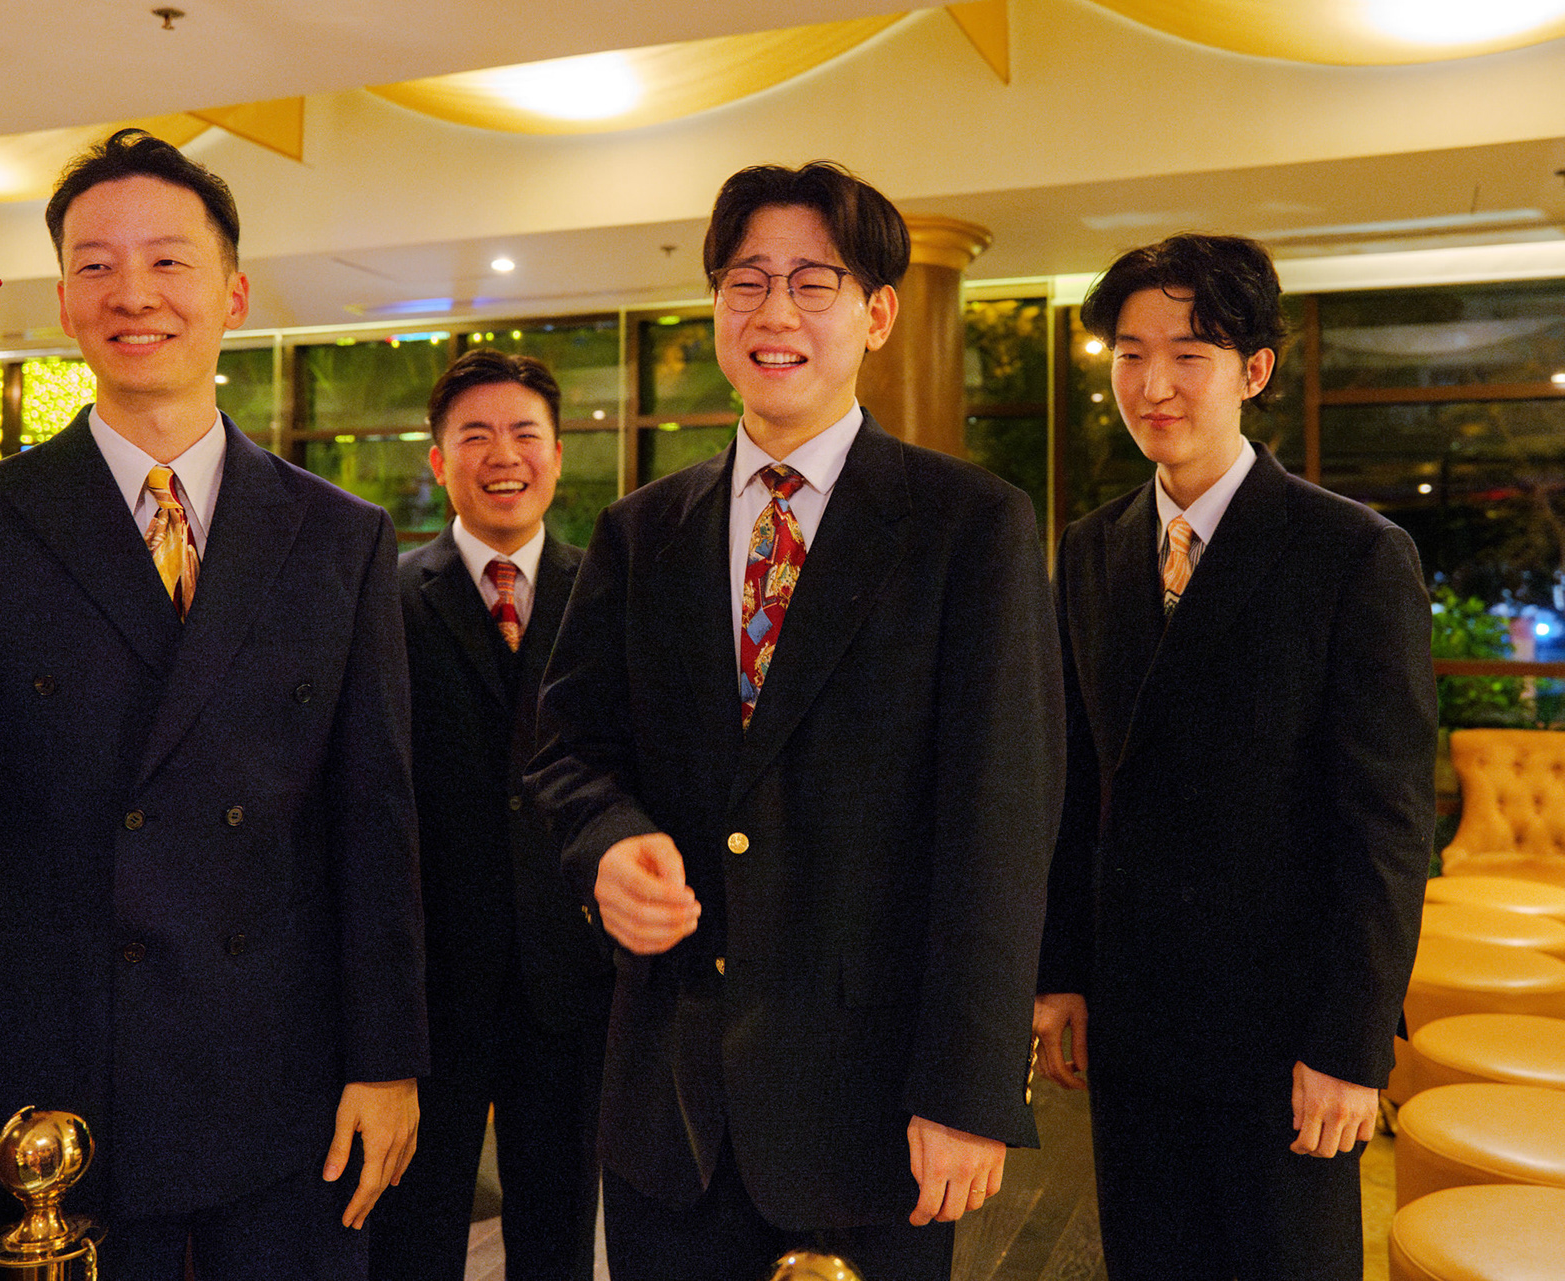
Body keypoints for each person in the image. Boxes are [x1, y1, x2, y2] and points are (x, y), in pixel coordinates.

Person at [0, 129, 427, 1281]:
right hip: (62, 1080)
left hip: (283, 1073)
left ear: (234, 294)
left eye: (169, 261)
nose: (133, 293)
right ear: (64, 301)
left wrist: (387, 1064)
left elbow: (375, 826)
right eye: (96, 265)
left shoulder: (340, 537)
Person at [527, 161, 1064, 1281]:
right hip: (670, 1107)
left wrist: (969, 1090)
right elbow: (569, 751)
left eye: (814, 283)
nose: (775, 313)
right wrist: (607, 844)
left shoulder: (970, 526)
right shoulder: (640, 531)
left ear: (878, 314)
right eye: (747, 281)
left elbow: (1001, 823)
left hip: (874, 1112)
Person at [1032, 233, 1435, 1281]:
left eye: (1189, 354)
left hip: (1283, 1031)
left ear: (1255, 370)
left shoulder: (1351, 552)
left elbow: (1389, 825)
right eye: (1129, 355)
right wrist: (1060, 971)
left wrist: (1350, 1044)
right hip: (1133, 1017)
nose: (1152, 385)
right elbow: (1074, 781)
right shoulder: (1093, 546)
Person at [369, 349, 613, 1281]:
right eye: (475, 435)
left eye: (524, 433)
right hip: (429, 982)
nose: (503, 455)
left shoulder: (610, 594)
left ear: (558, 455)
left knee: (558, 1235)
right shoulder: (385, 597)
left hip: (571, 977)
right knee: (413, 1234)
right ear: (439, 462)